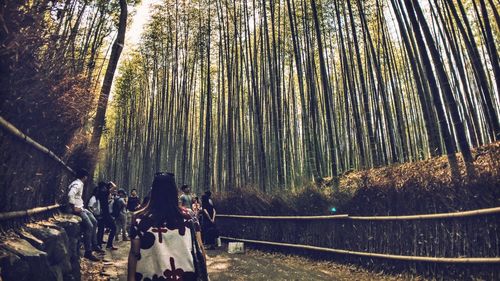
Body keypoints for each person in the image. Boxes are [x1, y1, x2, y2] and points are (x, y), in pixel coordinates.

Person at [127, 172, 208, 281]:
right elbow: (200, 247)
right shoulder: (189, 217)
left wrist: (131, 278)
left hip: (150, 276)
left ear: (153, 191)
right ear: (174, 192)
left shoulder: (140, 219)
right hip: (185, 276)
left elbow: (134, 252)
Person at [67, 168, 103, 261]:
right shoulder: (77, 184)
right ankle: (88, 252)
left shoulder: (79, 183)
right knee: (89, 226)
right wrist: (73, 208)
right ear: (84, 177)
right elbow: (71, 194)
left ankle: (95, 245)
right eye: (86, 176)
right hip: (78, 209)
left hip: (82, 208)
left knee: (94, 222)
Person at [96, 181, 118, 250]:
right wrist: (111, 182)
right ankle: (109, 245)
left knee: (101, 229)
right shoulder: (104, 191)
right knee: (114, 228)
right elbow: (115, 186)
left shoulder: (98, 191)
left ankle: (98, 245)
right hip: (105, 213)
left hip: (100, 213)